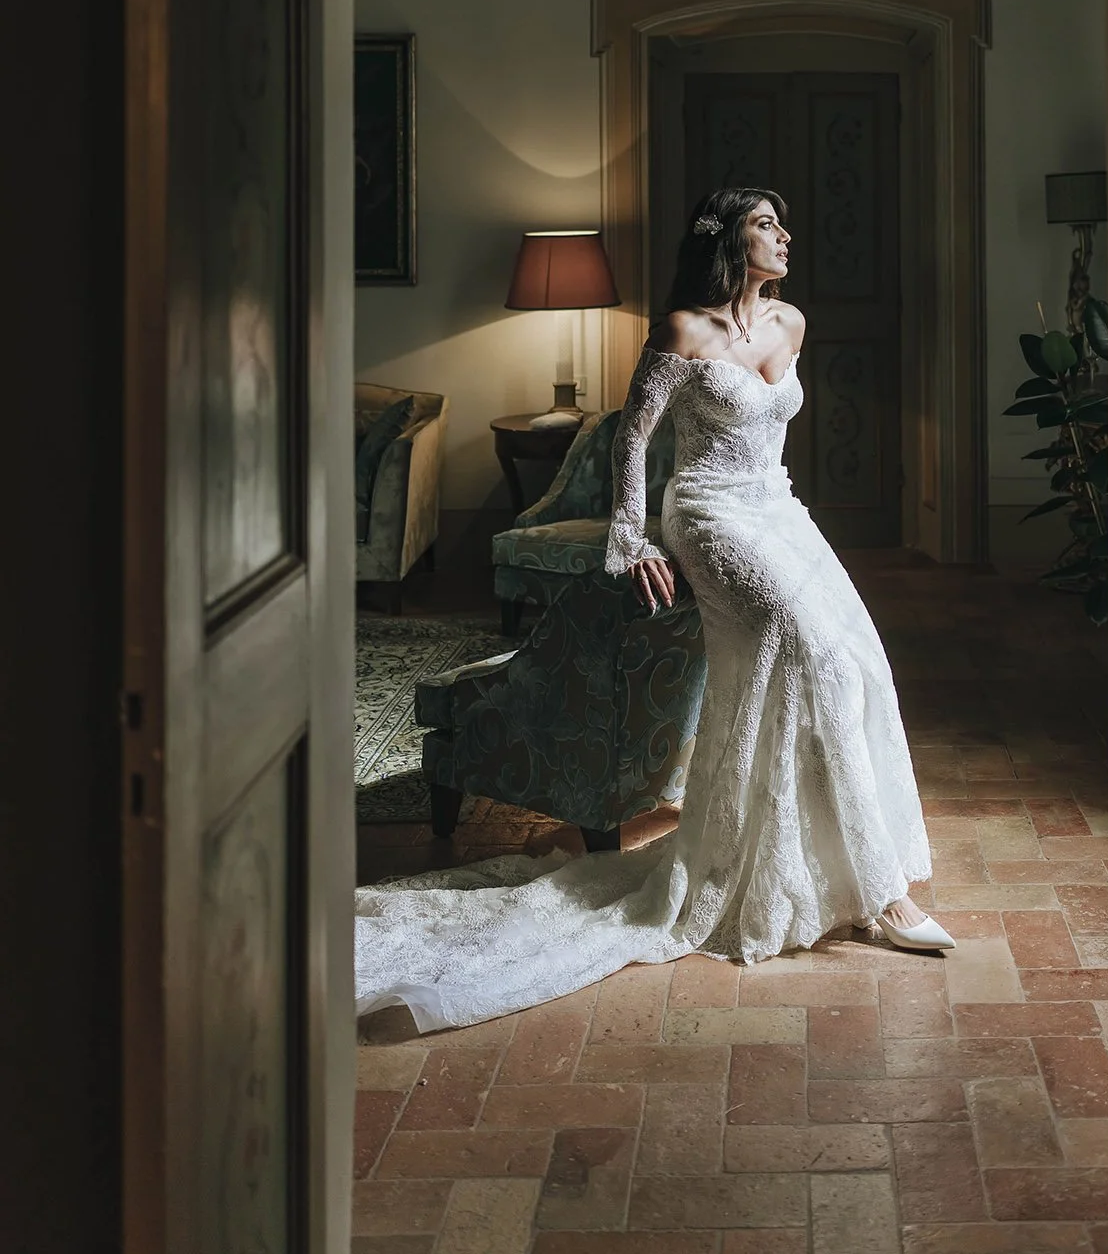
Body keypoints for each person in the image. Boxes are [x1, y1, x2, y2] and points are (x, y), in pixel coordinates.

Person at [354, 187, 952, 1033]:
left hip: (778, 507)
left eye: (783, 222)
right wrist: (631, 541)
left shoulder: (790, 323)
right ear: (728, 239)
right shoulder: (680, 330)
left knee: (855, 655)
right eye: (766, 224)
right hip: (708, 511)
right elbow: (634, 437)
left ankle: (843, 868)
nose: (785, 235)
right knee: (810, 651)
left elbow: (768, 437)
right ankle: (881, 896)